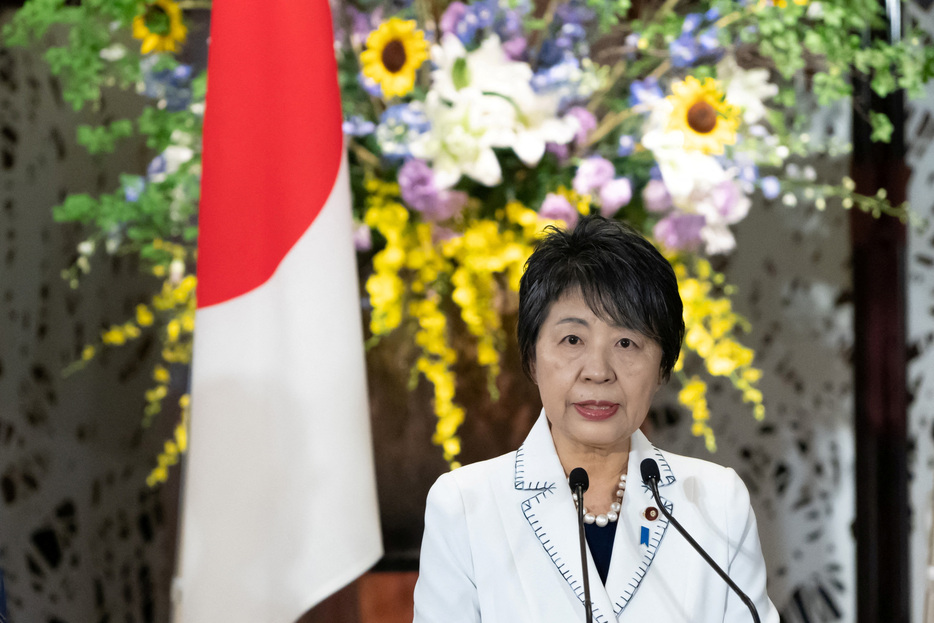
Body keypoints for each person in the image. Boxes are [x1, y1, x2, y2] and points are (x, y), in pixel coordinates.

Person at [413, 215, 779, 622]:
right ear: (532, 357)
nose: (598, 370)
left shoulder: (716, 501)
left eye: (626, 342)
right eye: (573, 340)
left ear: (663, 367)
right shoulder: (466, 506)